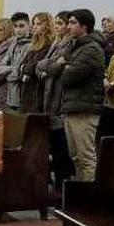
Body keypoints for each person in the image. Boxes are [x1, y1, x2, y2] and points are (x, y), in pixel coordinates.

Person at [57, 9, 106, 181]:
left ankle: (90, 200)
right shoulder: (76, 47)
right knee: (75, 157)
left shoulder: (91, 49)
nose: (68, 26)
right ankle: (79, 198)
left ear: (84, 26)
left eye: (72, 23)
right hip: (72, 106)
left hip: (84, 108)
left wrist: (64, 66)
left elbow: (67, 77)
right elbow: (56, 68)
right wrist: (64, 65)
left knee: (85, 157)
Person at [38, 11, 76, 187]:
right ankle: (56, 184)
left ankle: (62, 185)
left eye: (61, 24)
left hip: (59, 98)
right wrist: (49, 65)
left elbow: (54, 70)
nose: (57, 27)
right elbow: (41, 65)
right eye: (56, 23)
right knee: (52, 144)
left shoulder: (70, 43)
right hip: (49, 97)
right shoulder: (56, 42)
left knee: (61, 147)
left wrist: (49, 67)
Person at [18, 12, 55, 114]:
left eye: (38, 24)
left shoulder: (49, 45)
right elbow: (21, 66)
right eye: (34, 24)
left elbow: (33, 67)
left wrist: (26, 69)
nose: (34, 27)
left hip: (38, 91)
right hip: (26, 91)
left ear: (46, 26)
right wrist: (24, 70)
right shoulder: (33, 45)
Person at [3, 12, 33, 111]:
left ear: (29, 25)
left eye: (21, 26)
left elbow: (19, 70)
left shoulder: (31, 45)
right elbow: (1, 66)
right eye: (15, 26)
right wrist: (10, 70)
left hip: (23, 91)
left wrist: (10, 71)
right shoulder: (13, 43)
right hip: (10, 93)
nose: (18, 30)